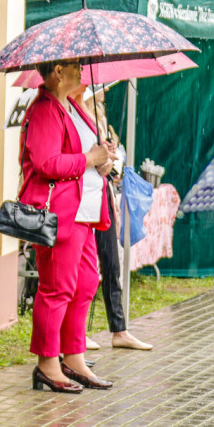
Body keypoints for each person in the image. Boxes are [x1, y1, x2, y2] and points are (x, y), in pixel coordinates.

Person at [20, 61, 116, 393]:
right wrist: (89, 159)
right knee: (57, 287)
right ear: (59, 71)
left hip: (84, 212)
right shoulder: (45, 109)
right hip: (60, 213)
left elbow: (82, 153)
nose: (81, 71)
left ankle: (73, 357)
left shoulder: (72, 105)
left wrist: (102, 160)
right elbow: (46, 163)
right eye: (75, 66)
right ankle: (47, 364)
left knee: (86, 282)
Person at [73, 85, 152, 351]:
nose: (103, 95)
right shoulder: (75, 116)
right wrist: (98, 159)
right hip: (81, 199)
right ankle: (77, 331)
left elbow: (108, 162)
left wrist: (109, 161)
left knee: (110, 260)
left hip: (103, 193)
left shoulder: (100, 119)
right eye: (98, 92)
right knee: (82, 267)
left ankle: (119, 328)